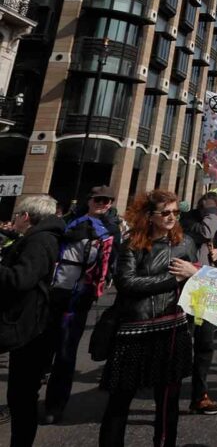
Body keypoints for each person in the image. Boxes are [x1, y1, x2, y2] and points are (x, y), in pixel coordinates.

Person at [99, 189, 199, 447]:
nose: (171, 217)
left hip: (172, 329)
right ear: (149, 215)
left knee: (168, 404)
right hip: (134, 329)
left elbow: (198, 282)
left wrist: (196, 271)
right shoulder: (133, 242)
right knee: (119, 401)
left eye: (176, 212)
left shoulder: (185, 242)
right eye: (165, 212)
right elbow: (127, 282)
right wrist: (172, 279)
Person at [42, 186, 119, 426]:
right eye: (98, 199)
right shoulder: (69, 221)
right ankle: (25, 397)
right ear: (89, 200)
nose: (102, 204)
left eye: (107, 201)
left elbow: (113, 261)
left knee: (65, 352)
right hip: (50, 292)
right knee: (40, 348)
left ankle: (55, 405)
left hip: (77, 298)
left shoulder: (110, 229)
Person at [1, 195, 64, 447]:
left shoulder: (40, 240)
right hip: (28, 323)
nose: (14, 220)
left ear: (26, 217)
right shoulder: (39, 238)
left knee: (22, 396)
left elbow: (22, 279)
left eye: (17, 216)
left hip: (30, 327)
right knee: (20, 394)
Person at [183, 192, 217, 417]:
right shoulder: (188, 222)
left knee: (204, 344)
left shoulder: (213, 228)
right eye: (214, 210)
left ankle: (199, 395)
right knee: (180, 344)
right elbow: (206, 232)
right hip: (185, 294)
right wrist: (211, 216)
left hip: (205, 295)